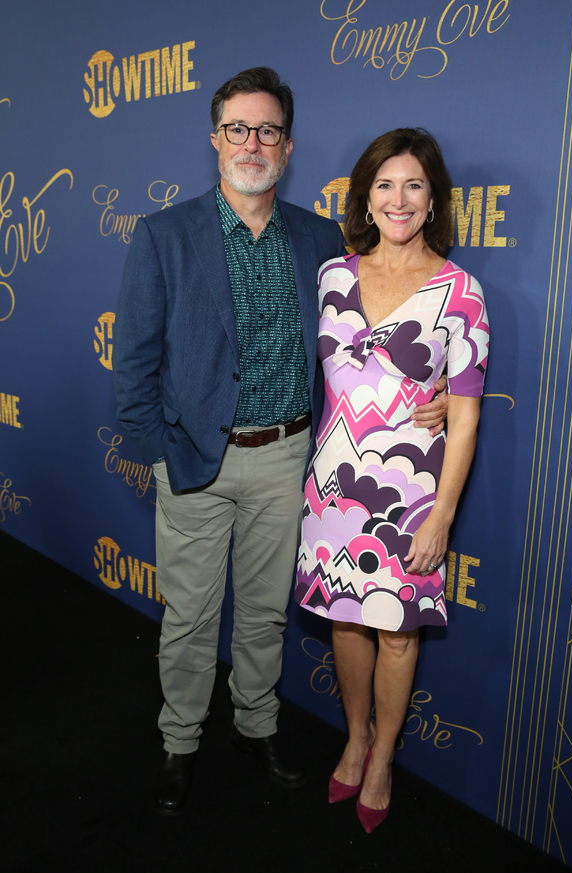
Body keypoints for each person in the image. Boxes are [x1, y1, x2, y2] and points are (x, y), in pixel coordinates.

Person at [113, 69, 448, 817]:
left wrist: (432, 399)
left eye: (267, 131)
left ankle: (256, 728)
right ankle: (180, 740)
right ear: (215, 139)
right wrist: (163, 455)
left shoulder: (321, 238)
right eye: (238, 128)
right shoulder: (163, 236)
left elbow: (370, 347)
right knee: (193, 616)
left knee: (264, 612)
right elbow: (131, 370)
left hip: (289, 459)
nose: (252, 143)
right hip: (196, 461)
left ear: (288, 147)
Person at [295, 128, 489, 832]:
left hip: (411, 497)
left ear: (433, 198)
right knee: (346, 619)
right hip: (332, 485)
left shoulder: (461, 293)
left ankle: (382, 761)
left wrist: (441, 517)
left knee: (398, 634)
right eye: (384, 184)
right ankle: (354, 736)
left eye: (412, 185)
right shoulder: (332, 277)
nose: (398, 198)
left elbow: (462, 421)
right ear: (366, 198)